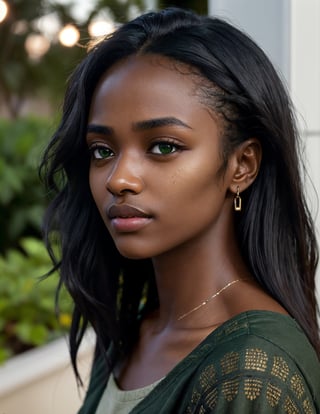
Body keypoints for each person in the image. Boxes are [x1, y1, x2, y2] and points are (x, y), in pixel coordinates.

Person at [40, 7, 320, 413]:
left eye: (163, 146)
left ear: (241, 166)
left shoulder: (252, 371)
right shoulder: (133, 330)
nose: (119, 179)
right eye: (103, 151)